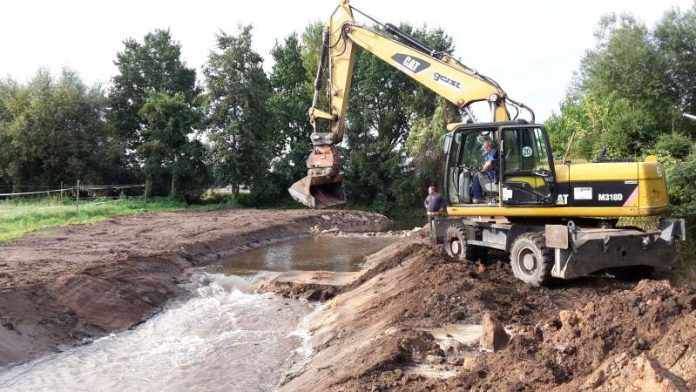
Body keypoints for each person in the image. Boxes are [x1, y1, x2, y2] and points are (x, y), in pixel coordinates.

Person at [471, 138, 497, 204]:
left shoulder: (493, 152)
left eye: (485, 147)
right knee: (476, 175)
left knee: (477, 175)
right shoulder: (490, 153)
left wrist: (482, 170)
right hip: (490, 173)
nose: (485, 148)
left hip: (493, 175)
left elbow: (489, 163)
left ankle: (478, 197)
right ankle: (473, 195)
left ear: (489, 146)